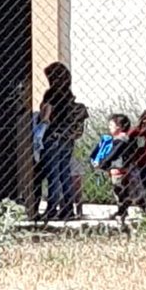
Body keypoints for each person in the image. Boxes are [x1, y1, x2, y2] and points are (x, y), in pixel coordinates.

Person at [38, 62, 87, 221]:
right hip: (67, 138)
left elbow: (46, 114)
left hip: (53, 136)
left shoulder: (51, 93)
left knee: (53, 174)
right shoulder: (68, 94)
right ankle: (67, 209)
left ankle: (52, 209)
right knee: (64, 173)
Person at [92, 113, 142, 224]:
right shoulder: (128, 139)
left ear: (119, 127)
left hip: (119, 168)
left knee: (119, 190)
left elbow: (114, 153)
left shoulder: (120, 140)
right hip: (125, 168)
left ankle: (122, 211)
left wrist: (103, 163)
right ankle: (122, 210)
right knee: (122, 190)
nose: (109, 127)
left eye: (111, 125)